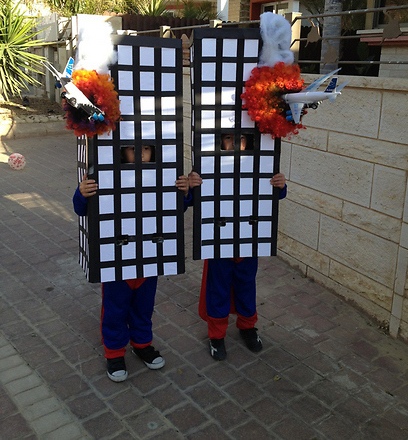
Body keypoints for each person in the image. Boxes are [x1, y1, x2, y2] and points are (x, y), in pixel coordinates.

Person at [73, 144, 200, 382]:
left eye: (147, 148)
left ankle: (142, 344)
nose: (141, 153)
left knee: (144, 306)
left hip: (148, 256)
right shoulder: (103, 176)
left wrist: (183, 193)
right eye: (132, 148)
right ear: (122, 151)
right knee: (115, 309)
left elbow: (177, 208)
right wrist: (82, 193)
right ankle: (114, 352)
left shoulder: (161, 175)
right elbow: (81, 209)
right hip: (116, 259)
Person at [198, 132, 287, 361]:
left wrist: (279, 186)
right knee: (218, 289)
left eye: (241, 138)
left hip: (248, 241)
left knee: (246, 286)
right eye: (229, 137)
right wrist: (192, 187)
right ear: (220, 141)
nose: (236, 143)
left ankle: (248, 327)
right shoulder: (210, 166)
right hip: (220, 241)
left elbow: (271, 196)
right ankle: (216, 335)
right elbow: (193, 199)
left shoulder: (259, 165)